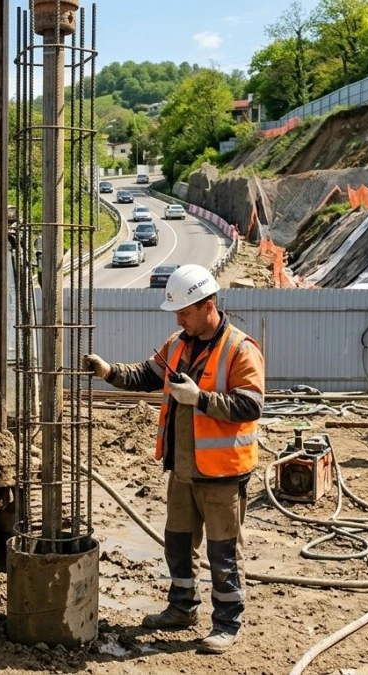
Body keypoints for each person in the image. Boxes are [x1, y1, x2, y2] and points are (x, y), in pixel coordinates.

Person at [84, 264, 263, 655]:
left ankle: (227, 622)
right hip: (183, 469)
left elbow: (251, 405)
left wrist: (200, 398)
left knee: (223, 551)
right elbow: (147, 376)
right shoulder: (179, 343)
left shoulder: (240, 349)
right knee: (178, 545)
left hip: (221, 474)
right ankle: (182, 607)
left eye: (185, 311)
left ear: (208, 304)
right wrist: (109, 371)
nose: (179, 318)